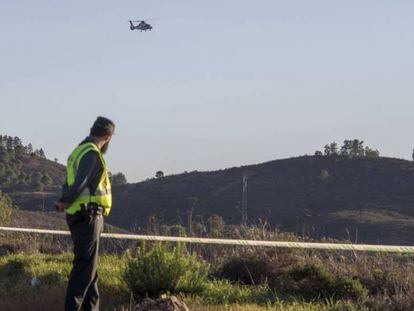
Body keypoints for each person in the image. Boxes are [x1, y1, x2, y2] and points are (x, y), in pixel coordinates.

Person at [54, 116, 115, 311]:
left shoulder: (78, 152)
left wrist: (65, 200)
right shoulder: (92, 154)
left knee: (91, 272)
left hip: (77, 215)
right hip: (88, 216)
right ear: (108, 136)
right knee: (83, 271)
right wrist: (65, 200)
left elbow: (69, 183)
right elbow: (80, 182)